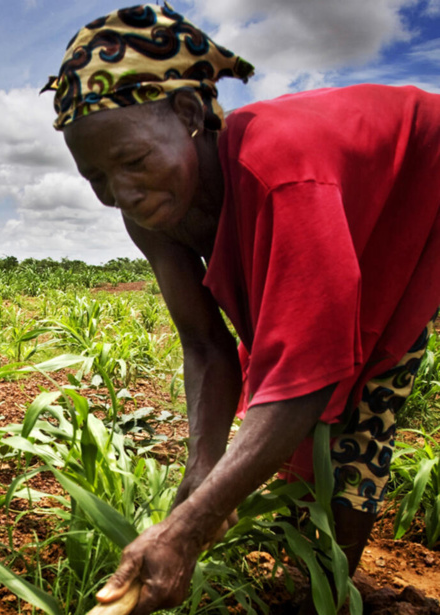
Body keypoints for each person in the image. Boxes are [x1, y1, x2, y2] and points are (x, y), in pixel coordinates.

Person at [42, 3, 440, 614]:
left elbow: (306, 376)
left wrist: (187, 530)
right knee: (291, 395)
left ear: (188, 114)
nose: (121, 194)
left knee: (360, 398)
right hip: (343, 209)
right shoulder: (149, 212)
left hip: (419, 192)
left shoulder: (282, 169)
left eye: (133, 161)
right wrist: (202, 472)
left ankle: (327, 596)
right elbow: (204, 343)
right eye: (96, 177)